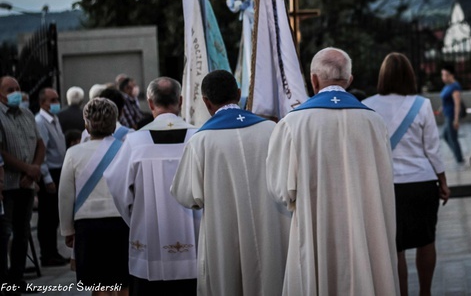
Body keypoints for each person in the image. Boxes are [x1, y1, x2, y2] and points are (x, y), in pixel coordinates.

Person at [267, 47, 399, 295]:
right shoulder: (374, 121)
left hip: (316, 227)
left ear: (314, 80)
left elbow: (280, 190)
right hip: (365, 226)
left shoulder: (293, 123)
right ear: (350, 80)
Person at [171, 70, 290, 296]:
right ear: (238, 93)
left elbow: (186, 195)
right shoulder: (272, 129)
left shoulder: (201, 141)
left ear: (206, 102)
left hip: (224, 233)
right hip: (272, 230)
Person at [363, 53, 450, 296]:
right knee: (426, 240)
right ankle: (425, 292)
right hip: (422, 182)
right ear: (410, 76)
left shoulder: (368, 105)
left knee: (396, 246)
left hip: (388, 185)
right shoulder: (421, 105)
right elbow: (432, 149)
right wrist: (443, 181)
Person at [105, 77, 200, 296]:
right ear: (181, 100)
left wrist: (135, 219)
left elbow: (118, 188)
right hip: (195, 240)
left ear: (149, 103)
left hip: (150, 240)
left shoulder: (135, 142)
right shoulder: (199, 137)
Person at [58, 97, 129, 295]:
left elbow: (65, 195)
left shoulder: (73, 153)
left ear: (86, 125)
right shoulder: (126, 150)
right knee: (123, 281)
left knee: (99, 285)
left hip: (88, 226)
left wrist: (67, 229)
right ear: (115, 124)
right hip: (121, 222)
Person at [0, 76, 46, 287]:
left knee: (23, 231)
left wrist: (34, 169)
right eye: (10, 89)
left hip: (27, 184)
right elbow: (1, 153)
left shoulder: (27, 113)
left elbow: (39, 143)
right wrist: (26, 168)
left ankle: (17, 279)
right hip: (8, 185)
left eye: (17, 88)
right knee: (5, 233)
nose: (15, 92)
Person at [35, 87, 70, 267]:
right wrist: (47, 178)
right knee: (47, 216)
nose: (56, 103)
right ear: (43, 103)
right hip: (49, 171)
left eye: (57, 99)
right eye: (53, 100)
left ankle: (53, 251)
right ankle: (46, 254)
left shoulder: (54, 119)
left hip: (59, 170)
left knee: (54, 216)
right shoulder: (40, 121)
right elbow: (41, 152)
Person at [439, 64, 464, 165]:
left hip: (451, 116)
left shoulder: (455, 87)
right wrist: (442, 108)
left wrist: (456, 119)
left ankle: (459, 159)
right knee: (445, 135)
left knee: (452, 137)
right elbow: (447, 101)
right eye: (442, 75)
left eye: (445, 75)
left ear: (451, 75)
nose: (443, 77)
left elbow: (457, 103)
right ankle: (457, 155)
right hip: (447, 114)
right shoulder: (448, 86)